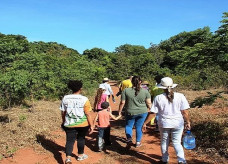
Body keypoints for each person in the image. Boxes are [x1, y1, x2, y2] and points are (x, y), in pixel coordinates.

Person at [143, 77, 191, 164]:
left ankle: (165, 159)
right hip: (178, 123)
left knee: (164, 141)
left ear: (162, 87)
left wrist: (145, 123)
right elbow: (184, 112)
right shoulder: (180, 96)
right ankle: (181, 160)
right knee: (177, 142)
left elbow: (153, 113)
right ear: (173, 86)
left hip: (164, 123)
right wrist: (188, 122)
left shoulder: (158, 98)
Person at [60, 80, 94, 164]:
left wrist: (64, 121)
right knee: (81, 139)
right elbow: (88, 114)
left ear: (71, 88)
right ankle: (80, 155)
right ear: (80, 88)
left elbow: (63, 112)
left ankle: (68, 158)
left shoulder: (65, 98)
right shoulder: (84, 99)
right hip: (82, 124)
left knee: (69, 140)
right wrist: (92, 125)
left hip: (69, 123)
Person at [118, 76, 152, 148]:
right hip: (142, 112)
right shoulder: (145, 91)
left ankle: (129, 140)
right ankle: (138, 142)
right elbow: (149, 103)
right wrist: (152, 111)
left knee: (129, 126)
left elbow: (122, 102)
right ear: (140, 82)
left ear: (131, 82)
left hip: (130, 111)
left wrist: (120, 111)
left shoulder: (126, 91)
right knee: (139, 127)